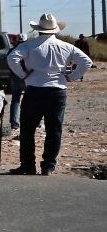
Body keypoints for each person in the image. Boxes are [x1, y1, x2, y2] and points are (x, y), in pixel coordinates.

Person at [6, 13, 93, 176]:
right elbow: (86, 61)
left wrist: (23, 74)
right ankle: (48, 166)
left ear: (38, 29)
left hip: (34, 90)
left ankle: (28, 165)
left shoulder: (29, 46)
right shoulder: (66, 46)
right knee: (54, 130)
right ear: (55, 30)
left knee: (27, 129)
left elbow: (12, 57)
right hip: (58, 91)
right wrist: (72, 76)